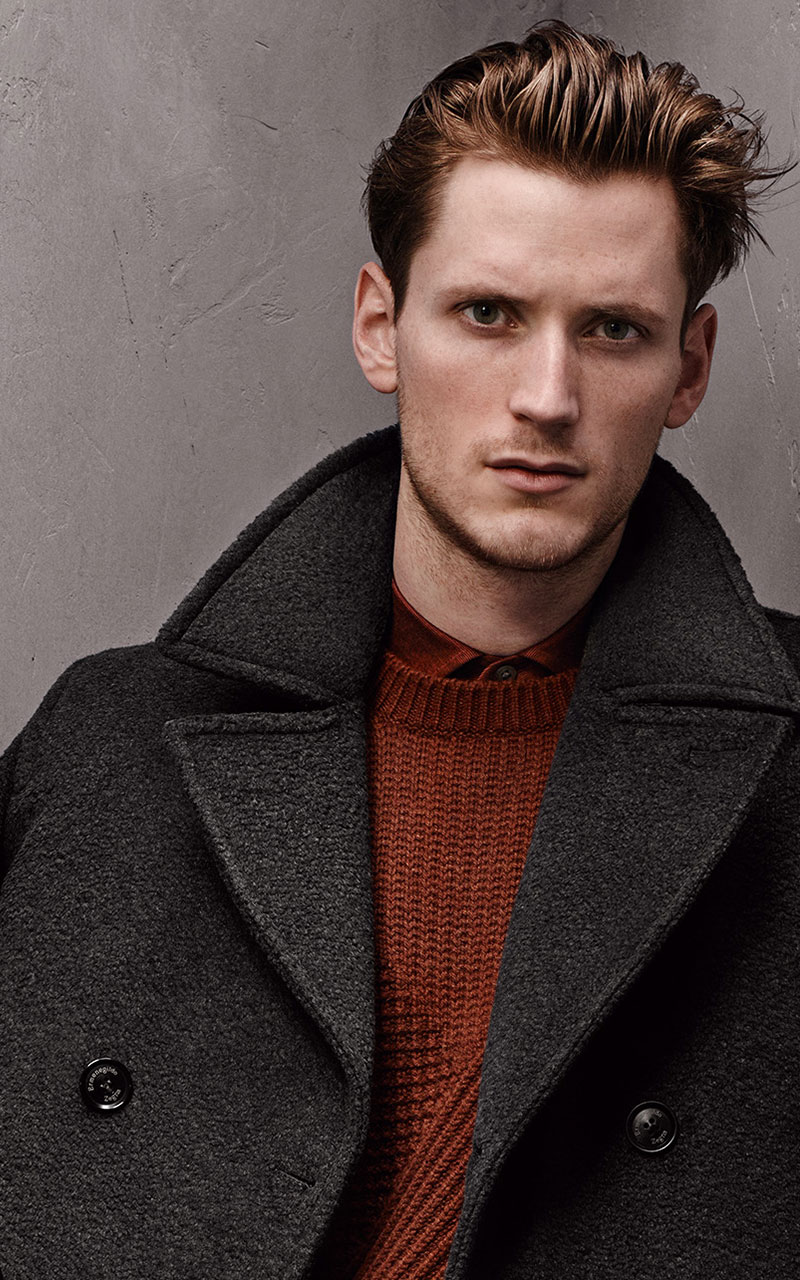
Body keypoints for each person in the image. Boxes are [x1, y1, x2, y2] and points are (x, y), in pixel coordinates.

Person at [0, 19, 797, 1279]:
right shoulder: (104, 749)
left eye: (611, 329)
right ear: (380, 327)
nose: (545, 395)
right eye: (487, 312)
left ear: (687, 367)